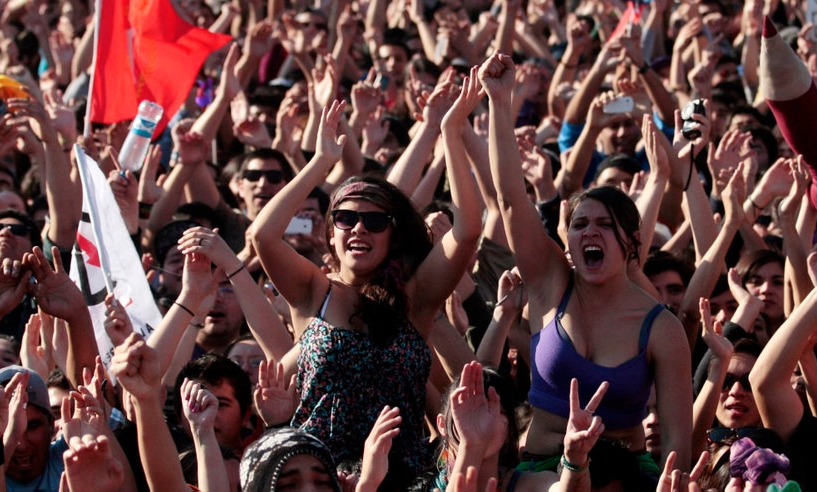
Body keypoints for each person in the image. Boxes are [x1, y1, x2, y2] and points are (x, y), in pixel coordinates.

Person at [249, 78, 483, 485]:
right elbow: (262, 236)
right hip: (320, 481)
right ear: (332, 232)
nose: (359, 229)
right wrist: (321, 161)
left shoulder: (417, 297)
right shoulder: (313, 291)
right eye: (346, 218)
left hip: (404, 478)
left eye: (375, 221)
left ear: (394, 235)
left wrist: (449, 134)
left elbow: (466, 231)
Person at [482, 52, 692, 488]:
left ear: (632, 243)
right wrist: (500, 103)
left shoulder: (661, 327)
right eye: (579, 225)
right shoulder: (548, 283)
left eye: (604, 225)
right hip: (544, 467)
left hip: (627, 472)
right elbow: (509, 200)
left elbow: (674, 436)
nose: (589, 233)